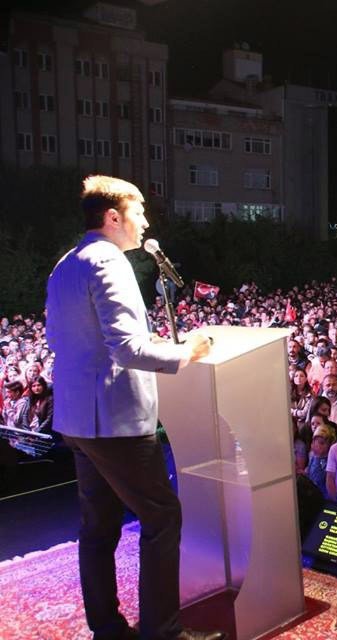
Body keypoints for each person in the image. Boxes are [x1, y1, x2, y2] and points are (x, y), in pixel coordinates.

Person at [45, 176, 219, 640]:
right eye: (139, 211)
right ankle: (163, 632)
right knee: (162, 516)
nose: (145, 221)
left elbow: (68, 339)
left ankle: (107, 627)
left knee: (98, 526)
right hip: (116, 420)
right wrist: (188, 351)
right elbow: (125, 348)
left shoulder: (66, 264)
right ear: (114, 217)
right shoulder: (110, 263)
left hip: (79, 418)